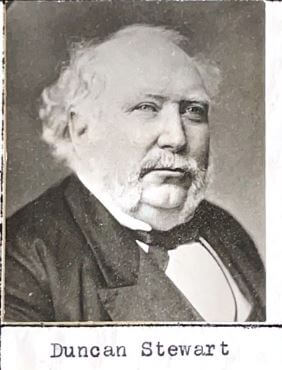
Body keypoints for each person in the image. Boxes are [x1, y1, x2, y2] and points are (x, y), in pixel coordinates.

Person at [4, 24, 265, 322]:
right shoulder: (22, 262)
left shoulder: (227, 229)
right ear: (81, 128)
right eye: (146, 107)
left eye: (193, 110)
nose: (177, 138)